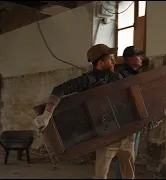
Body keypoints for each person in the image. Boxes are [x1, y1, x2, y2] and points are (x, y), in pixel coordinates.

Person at [33, 44, 135, 179]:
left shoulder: (116, 78)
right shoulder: (87, 80)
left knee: (129, 175)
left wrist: (149, 119)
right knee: (101, 175)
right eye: (110, 59)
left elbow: (128, 101)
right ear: (100, 62)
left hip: (125, 134)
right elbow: (59, 90)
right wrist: (47, 115)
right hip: (106, 136)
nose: (114, 62)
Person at [114, 46, 160, 179]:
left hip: (136, 120)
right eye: (138, 56)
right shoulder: (122, 76)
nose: (141, 58)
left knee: (130, 156)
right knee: (126, 156)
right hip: (126, 121)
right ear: (130, 59)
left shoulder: (135, 75)